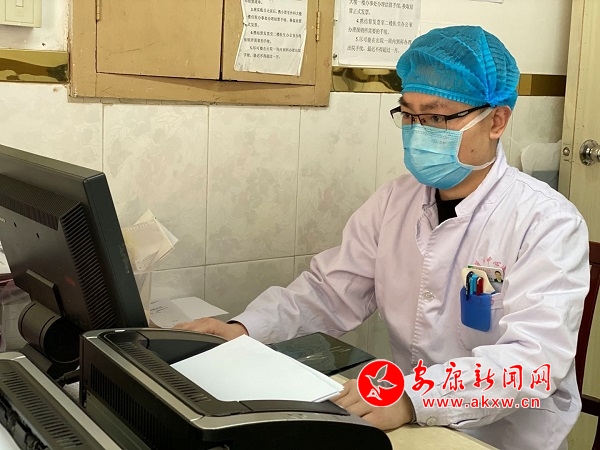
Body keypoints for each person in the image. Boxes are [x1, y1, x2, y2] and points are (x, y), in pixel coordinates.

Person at [176, 25, 589, 450]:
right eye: (409, 115)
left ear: (496, 120)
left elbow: (534, 361)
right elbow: (329, 292)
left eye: (436, 117)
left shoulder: (547, 222)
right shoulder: (396, 200)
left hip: (502, 438)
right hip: (410, 422)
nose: (418, 131)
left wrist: (413, 397)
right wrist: (245, 328)